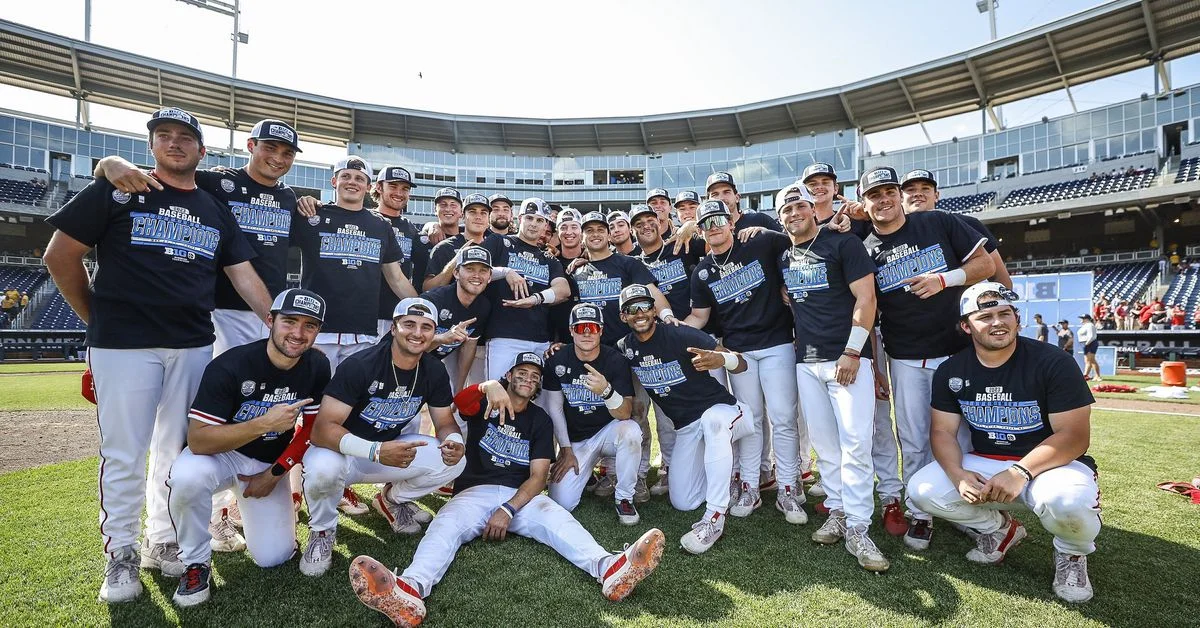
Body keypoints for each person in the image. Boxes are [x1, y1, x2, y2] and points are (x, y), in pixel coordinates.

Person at [42, 107, 272, 603]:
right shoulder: (120, 188)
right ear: (151, 146)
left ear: (202, 151)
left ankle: (162, 540)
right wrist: (95, 319)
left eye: (185, 137)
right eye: (164, 135)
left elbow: (242, 273)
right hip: (123, 342)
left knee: (177, 450)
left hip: (191, 342)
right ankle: (119, 554)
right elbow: (59, 255)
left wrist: (274, 319)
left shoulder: (214, 207)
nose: (174, 143)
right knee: (123, 453)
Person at [346, 352, 665, 627]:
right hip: (474, 491)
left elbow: (539, 476)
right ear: (509, 375)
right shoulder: (485, 401)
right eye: (522, 373)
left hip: (521, 497)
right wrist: (488, 385)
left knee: (560, 521)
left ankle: (610, 568)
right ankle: (410, 591)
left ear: (538, 385)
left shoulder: (540, 419)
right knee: (444, 527)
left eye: (534, 376)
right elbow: (458, 403)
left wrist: (508, 509)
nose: (528, 379)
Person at [908, 282, 1100, 603]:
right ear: (966, 326)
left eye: (1004, 313)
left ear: (1017, 319)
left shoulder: (1053, 361)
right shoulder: (952, 369)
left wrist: (1019, 472)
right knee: (922, 492)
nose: (997, 322)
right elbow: (942, 431)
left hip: (1052, 463)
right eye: (985, 316)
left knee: (1067, 503)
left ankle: (1072, 553)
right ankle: (998, 529)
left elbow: (1075, 436)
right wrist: (957, 475)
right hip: (986, 457)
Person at [857, 166, 995, 551]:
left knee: (965, 436)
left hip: (958, 352)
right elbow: (869, 313)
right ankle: (922, 511)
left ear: (898, 195)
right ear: (864, 202)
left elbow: (986, 266)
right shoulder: (866, 248)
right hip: (904, 356)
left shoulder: (938, 221)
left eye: (889, 191)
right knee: (915, 438)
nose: (883, 199)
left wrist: (944, 279)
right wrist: (876, 365)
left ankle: (969, 508)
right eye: (874, 194)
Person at [166, 289, 332, 607]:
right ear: (270, 320)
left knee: (274, 556)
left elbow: (312, 428)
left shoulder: (317, 366)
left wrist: (276, 473)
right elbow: (199, 440)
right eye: (290, 321)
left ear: (318, 331)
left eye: (309, 325)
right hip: (219, 456)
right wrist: (263, 424)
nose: (298, 333)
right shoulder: (232, 364)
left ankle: (242, 514)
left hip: (267, 462)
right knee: (187, 476)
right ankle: (195, 563)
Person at [94, 118, 304, 355]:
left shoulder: (288, 197)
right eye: (270, 148)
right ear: (250, 145)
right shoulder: (214, 181)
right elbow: (157, 175)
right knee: (224, 383)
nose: (278, 158)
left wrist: (311, 202)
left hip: (270, 308)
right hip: (221, 309)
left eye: (287, 153)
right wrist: (109, 162)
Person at [299, 298, 467, 577]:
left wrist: (455, 443)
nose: (417, 333)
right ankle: (322, 530)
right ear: (393, 328)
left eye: (426, 327)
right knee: (322, 467)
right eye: (409, 324)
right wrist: (376, 450)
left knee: (455, 463)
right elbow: (322, 430)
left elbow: (445, 421)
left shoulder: (433, 370)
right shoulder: (361, 365)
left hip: (384, 451)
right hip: (343, 451)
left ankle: (391, 499)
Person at [774, 185, 889, 571]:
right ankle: (838, 511)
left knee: (856, 443)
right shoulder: (785, 257)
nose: (794, 213)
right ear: (780, 217)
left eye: (800, 206)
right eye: (786, 209)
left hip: (848, 358)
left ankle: (859, 526)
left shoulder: (843, 244)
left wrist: (854, 350)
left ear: (814, 209)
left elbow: (866, 299)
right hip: (806, 362)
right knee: (825, 446)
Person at [685, 199, 811, 523]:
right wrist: (669, 328)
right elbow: (700, 316)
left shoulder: (762, 241)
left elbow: (800, 244)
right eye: (706, 224)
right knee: (750, 420)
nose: (714, 228)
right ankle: (750, 486)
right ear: (700, 232)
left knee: (783, 417)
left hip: (777, 341)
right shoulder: (702, 272)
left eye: (718, 221)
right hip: (738, 352)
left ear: (731, 221)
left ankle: (787, 486)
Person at [616, 284, 753, 553]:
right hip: (688, 426)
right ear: (623, 316)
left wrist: (721, 360)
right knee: (683, 501)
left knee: (713, 423)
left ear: (655, 310)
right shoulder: (625, 347)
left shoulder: (679, 334)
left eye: (645, 306)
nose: (639, 313)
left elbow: (741, 362)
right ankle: (727, 478)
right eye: (632, 309)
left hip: (724, 411)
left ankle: (715, 517)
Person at [288, 157, 416, 369]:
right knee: (313, 395)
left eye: (359, 178)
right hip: (318, 328)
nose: (352, 182)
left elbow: (396, 278)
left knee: (353, 398)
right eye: (345, 176)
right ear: (334, 181)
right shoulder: (311, 215)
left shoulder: (381, 225)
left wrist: (422, 307)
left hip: (362, 331)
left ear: (368, 187)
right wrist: (301, 201)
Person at [631, 204, 705, 496]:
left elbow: (722, 234)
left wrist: (691, 224)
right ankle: (637, 473)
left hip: (682, 337)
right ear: (634, 230)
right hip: (641, 346)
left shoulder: (684, 245)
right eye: (640, 223)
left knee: (670, 413)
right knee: (638, 413)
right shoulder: (630, 262)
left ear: (662, 221)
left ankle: (671, 469)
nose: (646, 226)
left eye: (651, 220)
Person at [544, 303, 640, 523]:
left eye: (593, 328)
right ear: (571, 331)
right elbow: (554, 408)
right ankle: (588, 476)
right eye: (580, 327)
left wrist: (606, 391)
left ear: (601, 330)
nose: (587, 333)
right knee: (562, 502)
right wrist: (566, 449)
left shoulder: (615, 360)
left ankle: (624, 498)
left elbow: (625, 413)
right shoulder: (557, 359)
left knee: (631, 432)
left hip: (609, 431)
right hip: (578, 440)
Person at [482, 197, 571, 383]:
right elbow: (471, 270)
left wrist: (535, 298)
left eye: (539, 220)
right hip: (504, 337)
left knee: (537, 403)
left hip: (541, 341)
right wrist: (506, 272)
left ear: (546, 224)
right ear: (519, 218)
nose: (533, 224)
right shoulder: (498, 242)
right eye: (529, 218)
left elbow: (563, 290)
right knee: (499, 396)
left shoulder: (548, 258)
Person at [899, 169, 1013, 289]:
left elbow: (1001, 280)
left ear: (936, 195)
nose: (918, 193)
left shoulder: (968, 223)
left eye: (925, 188)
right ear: (900, 197)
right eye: (911, 190)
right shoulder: (889, 232)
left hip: (959, 305)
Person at [417, 246, 493, 393]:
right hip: (400, 362)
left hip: (432, 363)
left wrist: (459, 387)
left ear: (489, 277)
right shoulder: (432, 301)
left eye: (483, 270)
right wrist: (441, 338)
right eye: (470, 269)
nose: (476, 275)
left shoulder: (483, 306)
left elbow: (469, 346)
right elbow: (406, 344)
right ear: (456, 273)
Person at [372, 165, 431, 321]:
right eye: (393, 186)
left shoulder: (410, 228)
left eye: (405, 188)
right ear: (379, 187)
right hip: (366, 311)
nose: (399, 193)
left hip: (398, 312)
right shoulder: (366, 219)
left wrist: (433, 225)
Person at [423, 193, 508, 290]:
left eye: (483, 213)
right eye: (472, 212)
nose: (478, 217)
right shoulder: (445, 247)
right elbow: (427, 289)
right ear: (463, 216)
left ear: (488, 218)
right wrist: (455, 262)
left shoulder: (497, 247)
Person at [705, 171, 782, 232]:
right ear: (708, 201)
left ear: (737, 197)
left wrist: (767, 234)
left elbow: (788, 244)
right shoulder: (706, 231)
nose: (721, 198)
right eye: (715, 194)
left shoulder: (759, 220)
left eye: (726, 192)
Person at [1077, 314, 1100, 381]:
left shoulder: (1090, 325)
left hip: (1090, 343)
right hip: (1086, 343)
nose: (1081, 319)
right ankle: (1092, 375)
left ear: (1087, 319)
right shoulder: (1085, 325)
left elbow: (1091, 336)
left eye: (1083, 318)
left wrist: (1087, 344)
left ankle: (1087, 375)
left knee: (1090, 360)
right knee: (1089, 360)